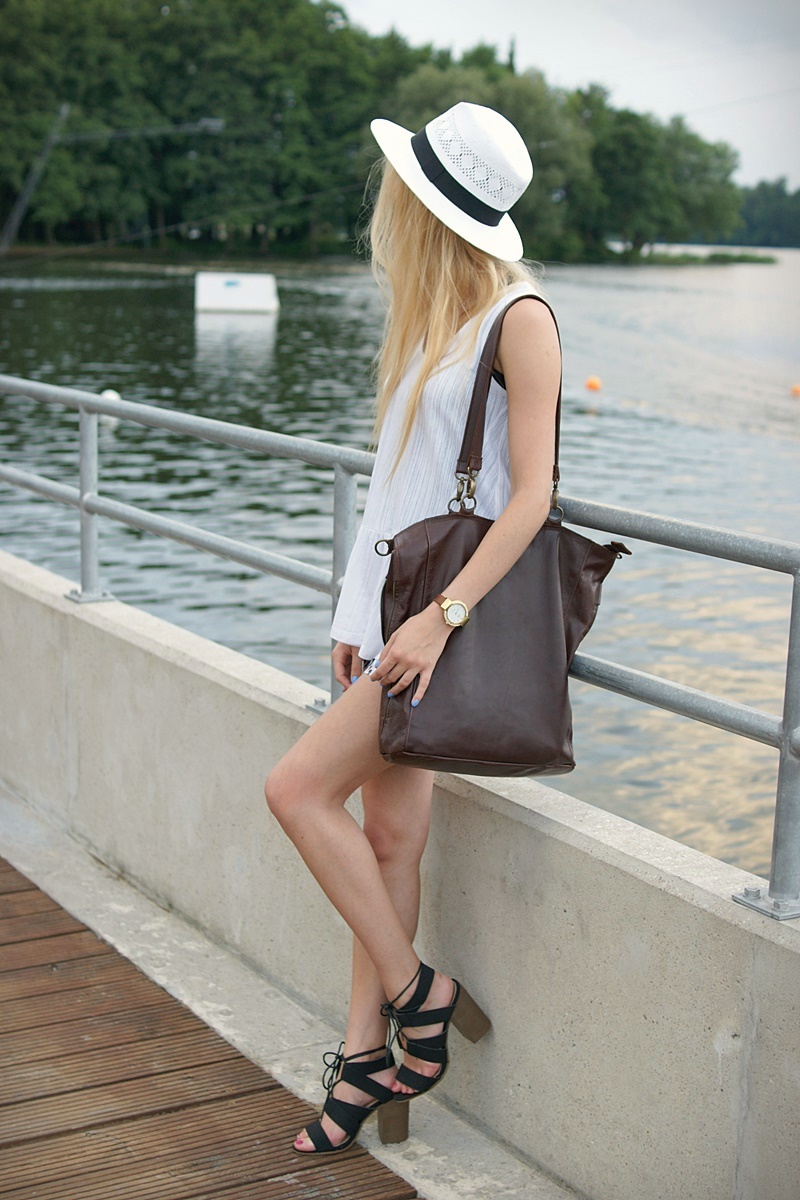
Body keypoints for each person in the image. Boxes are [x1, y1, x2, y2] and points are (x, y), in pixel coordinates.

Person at [265, 100, 561, 1155]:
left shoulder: (520, 317)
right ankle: (362, 1064)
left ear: (427, 203)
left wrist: (439, 621)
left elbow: (531, 498)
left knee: (295, 789)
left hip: (441, 629)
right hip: (392, 623)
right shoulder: (434, 317)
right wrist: (356, 613)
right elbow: (396, 491)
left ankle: (418, 996)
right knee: (388, 838)